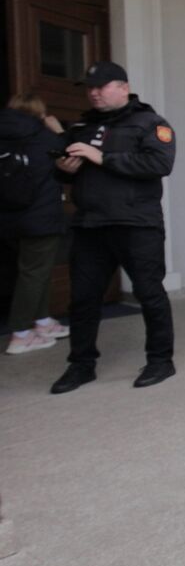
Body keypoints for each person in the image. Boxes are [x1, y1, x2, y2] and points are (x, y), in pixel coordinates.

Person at [48, 62, 176, 394]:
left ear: (123, 87)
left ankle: (161, 360)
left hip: (136, 224)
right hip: (91, 225)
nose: (94, 92)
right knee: (84, 299)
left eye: (101, 86)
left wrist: (102, 157)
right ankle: (81, 365)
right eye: (90, 87)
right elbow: (67, 172)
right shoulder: (82, 126)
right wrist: (64, 168)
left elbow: (160, 163)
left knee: (149, 293)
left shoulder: (150, 123)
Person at [0, 92, 68, 354]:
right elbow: (70, 155)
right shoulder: (43, 137)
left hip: (9, 218)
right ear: (39, 112)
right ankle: (21, 334)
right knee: (35, 273)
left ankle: (42, 322)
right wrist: (59, 130)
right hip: (40, 218)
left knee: (30, 271)